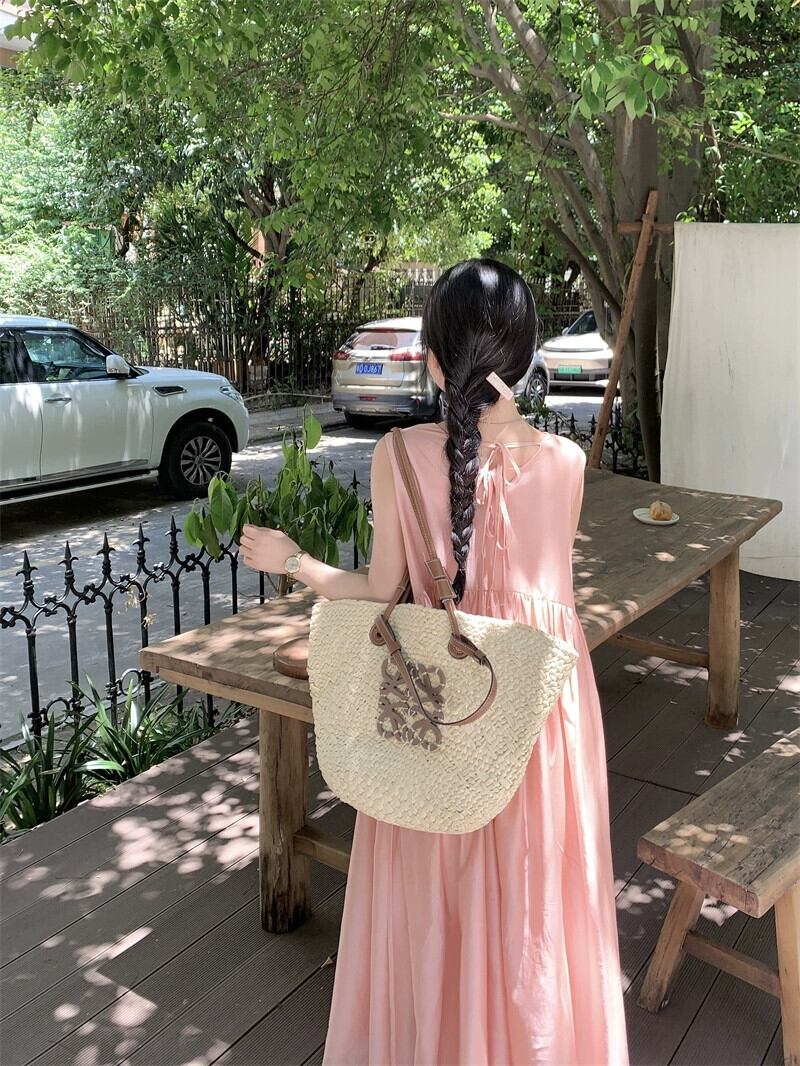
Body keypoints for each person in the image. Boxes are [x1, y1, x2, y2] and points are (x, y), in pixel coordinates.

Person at [240, 258, 629, 1065]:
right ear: (525, 357)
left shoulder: (399, 454)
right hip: (543, 711)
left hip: (436, 702)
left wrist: (293, 561)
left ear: (432, 359)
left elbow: (378, 590)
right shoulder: (567, 463)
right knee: (537, 894)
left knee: (433, 886)